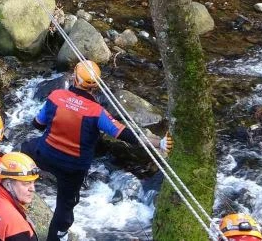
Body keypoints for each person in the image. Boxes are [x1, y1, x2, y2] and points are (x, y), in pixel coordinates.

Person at [21, 60, 173, 241]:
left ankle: (18, 183)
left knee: (25, 147)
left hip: (44, 154)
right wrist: (159, 143)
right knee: (65, 205)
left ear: (75, 80)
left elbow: (37, 124)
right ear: (97, 86)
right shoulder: (97, 112)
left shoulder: (56, 96)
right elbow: (127, 135)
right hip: (73, 168)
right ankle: (58, 235)